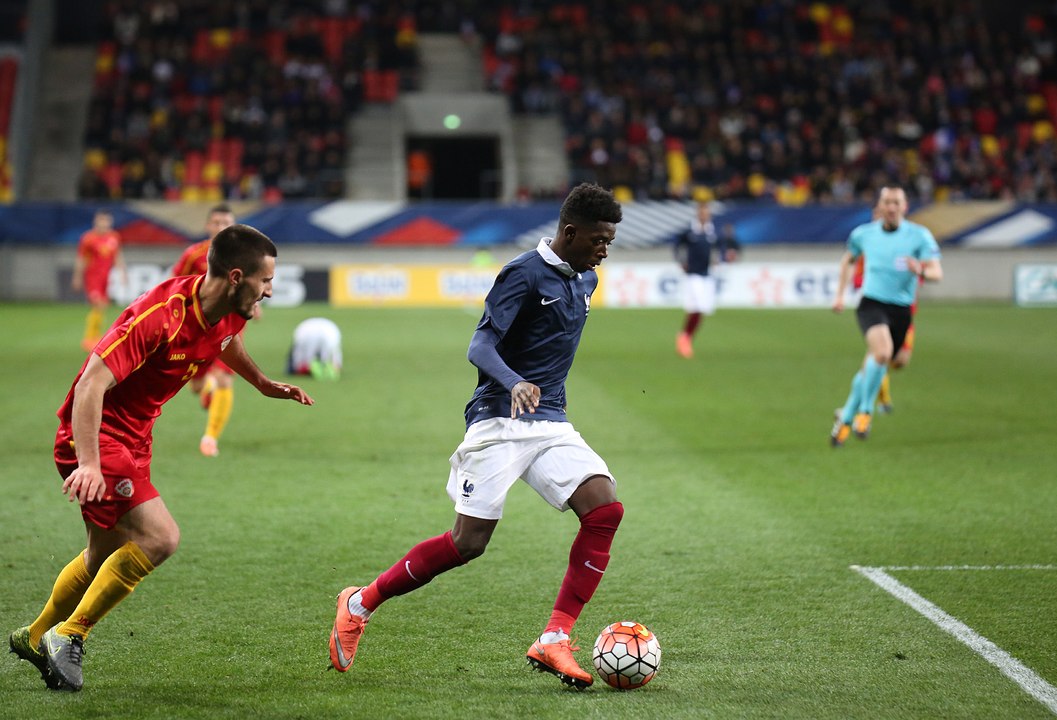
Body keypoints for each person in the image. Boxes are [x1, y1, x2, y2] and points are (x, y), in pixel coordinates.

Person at [329, 183, 624, 689]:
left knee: (604, 510)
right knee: (469, 542)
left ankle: (554, 638)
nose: (604, 250)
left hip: (550, 422)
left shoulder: (585, 279)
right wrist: (515, 382)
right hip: (497, 418)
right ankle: (359, 603)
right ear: (570, 231)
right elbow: (480, 344)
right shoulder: (523, 274)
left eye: (609, 241)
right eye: (598, 239)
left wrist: (538, 391)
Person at [8, 224, 314, 692]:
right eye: (266, 281)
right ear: (236, 276)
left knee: (103, 553)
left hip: (135, 439)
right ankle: (70, 634)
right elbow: (91, 384)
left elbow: (226, 341)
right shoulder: (160, 316)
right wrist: (89, 463)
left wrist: (262, 383)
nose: (270, 290)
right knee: (160, 537)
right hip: (93, 435)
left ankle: (32, 637)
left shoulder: (232, 310)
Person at [830, 185, 942, 446]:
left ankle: (846, 415)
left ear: (905, 207)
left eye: (896, 202)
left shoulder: (919, 236)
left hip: (902, 310)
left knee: (878, 362)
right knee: (881, 353)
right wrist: (839, 295)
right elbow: (848, 259)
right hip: (871, 305)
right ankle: (866, 412)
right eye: (886, 202)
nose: (891, 207)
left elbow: (937, 272)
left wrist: (922, 271)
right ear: (879, 207)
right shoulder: (863, 234)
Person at [172, 204, 243, 457]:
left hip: (230, 325)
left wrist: (255, 306)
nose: (221, 227)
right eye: (216, 222)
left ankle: (210, 437)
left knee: (225, 379)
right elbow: (175, 285)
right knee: (197, 385)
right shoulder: (194, 254)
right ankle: (208, 387)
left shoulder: (246, 257)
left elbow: (256, 285)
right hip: (198, 327)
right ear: (208, 225)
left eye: (226, 222)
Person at [673, 201, 739, 358]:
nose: (704, 215)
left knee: (701, 309)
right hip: (693, 275)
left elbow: (722, 247)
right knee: (696, 307)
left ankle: (686, 337)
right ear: (698, 214)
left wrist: (727, 255)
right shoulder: (690, 231)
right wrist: (681, 261)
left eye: (707, 213)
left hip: (707, 275)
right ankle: (684, 338)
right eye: (702, 212)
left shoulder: (712, 232)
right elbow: (677, 246)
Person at [72, 209, 126, 351]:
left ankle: (95, 337)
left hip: (105, 277)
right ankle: (89, 338)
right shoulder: (88, 238)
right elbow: (81, 258)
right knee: (97, 304)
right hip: (92, 277)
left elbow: (117, 256)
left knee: (102, 306)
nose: (104, 223)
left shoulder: (114, 237)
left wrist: (123, 273)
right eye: (101, 220)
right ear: (96, 222)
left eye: (107, 221)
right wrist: (77, 276)